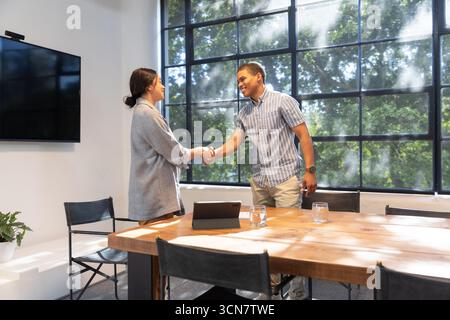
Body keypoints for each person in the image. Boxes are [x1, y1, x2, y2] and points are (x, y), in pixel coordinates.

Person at [204, 62, 317, 299]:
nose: (240, 84)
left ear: (259, 77)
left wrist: (310, 171)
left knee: (290, 238)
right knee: (263, 238)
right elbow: (235, 142)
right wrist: (214, 153)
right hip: (260, 182)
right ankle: (271, 291)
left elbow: (303, 135)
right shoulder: (243, 113)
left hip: (286, 179)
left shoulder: (283, 101)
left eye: (243, 79)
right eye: (237, 82)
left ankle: (297, 294)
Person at [125, 68, 208, 225]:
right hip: (155, 200)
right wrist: (199, 151)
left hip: (156, 199)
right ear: (149, 86)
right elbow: (174, 152)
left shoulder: (145, 112)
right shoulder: (147, 114)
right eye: (160, 82)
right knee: (157, 248)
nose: (163, 86)